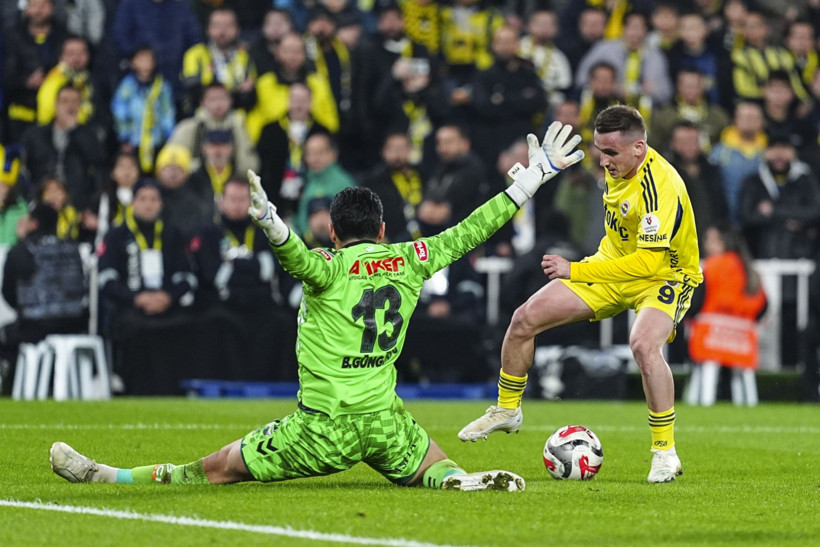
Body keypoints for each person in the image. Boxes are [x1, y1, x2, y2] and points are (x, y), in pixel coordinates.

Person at [49, 120, 585, 491]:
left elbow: (295, 257)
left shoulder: (329, 268)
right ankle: (458, 480)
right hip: (384, 422)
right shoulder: (413, 257)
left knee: (214, 469)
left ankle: (107, 476)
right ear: (382, 229)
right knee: (433, 468)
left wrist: (270, 222)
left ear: (332, 231)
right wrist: (533, 177)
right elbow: (471, 231)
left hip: (322, 428)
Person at [458, 105, 703, 484]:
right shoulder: (619, 167)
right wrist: (538, 177)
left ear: (639, 148)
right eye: (598, 150)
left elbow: (648, 265)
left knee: (643, 344)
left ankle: (664, 452)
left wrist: (577, 269)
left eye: (611, 153)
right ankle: (507, 409)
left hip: (665, 275)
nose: (602, 161)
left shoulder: (660, 187)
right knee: (524, 319)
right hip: (611, 266)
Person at [686, 223, 767, 406]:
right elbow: (763, 305)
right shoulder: (750, 271)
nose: (707, 245)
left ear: (727, 241)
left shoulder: (711, 267)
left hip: (710, 338)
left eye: (713, 240)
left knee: (707, 370)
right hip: (742, 340)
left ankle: (703, 404)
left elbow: (696, 302)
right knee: (743, 376)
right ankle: (749, 404)